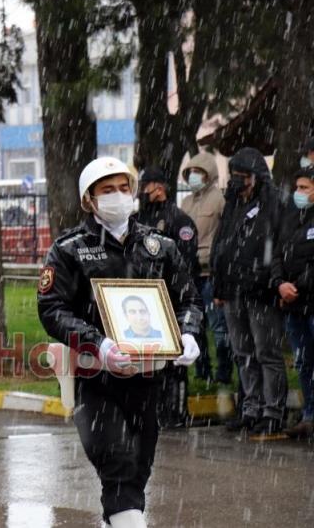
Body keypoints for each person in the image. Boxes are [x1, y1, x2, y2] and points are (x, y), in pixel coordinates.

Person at [37, 157, 202, 528]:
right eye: (107, 190)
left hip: (148, 380)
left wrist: (188, 332)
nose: (118, 196)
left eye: (124, 188)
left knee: (137, 470)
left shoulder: (158, 246)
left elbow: (189, 298)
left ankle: (120, 519)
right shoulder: (69, 250)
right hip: (96, 381)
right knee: (118, 463)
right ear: (89, 200)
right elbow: (52, 309)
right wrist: (99, 345)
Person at [210, 147, 287, 437]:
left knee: (266, 352)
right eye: (234, 176)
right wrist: (219, 285)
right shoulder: (233, 203)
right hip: (233, 291)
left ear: (255, 177)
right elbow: (222, 245)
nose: (236, 181)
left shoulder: (273, 202)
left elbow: (274, 245)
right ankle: (251, 408)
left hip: (260, 290)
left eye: (242, 177)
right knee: (243, 353)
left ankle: (273, 411)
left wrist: (266, 279)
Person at [136, 164, 200, 428]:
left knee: (175, 361)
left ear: (158, 188)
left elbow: (183, 262)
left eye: (145, 187)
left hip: (171, 298)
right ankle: (155, 408)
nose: (142, 192)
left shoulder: (179, 219)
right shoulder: (140, 219)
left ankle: (176, 410)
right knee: (150, 358)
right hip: (145, 301)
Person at [181, 152, 233, 384]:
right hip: (191, 274)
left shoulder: (219, 200)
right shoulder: (185, 202)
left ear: (208, 175)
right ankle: (203, 372)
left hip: (211, 273)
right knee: (195, 327)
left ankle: (223, 373)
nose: (194, 176)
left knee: (219, 327)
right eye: (191, 172)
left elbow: (227, 233)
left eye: (198, 172)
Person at [271, 166, 314, 439]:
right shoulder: (291, 218)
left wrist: (297, 284)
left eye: (304, 188)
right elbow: (277, 255)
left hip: (308, 299)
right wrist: (279, 283)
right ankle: (310, 415)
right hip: (293, 305)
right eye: (297, 188)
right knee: (304, 362)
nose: (298, 193)